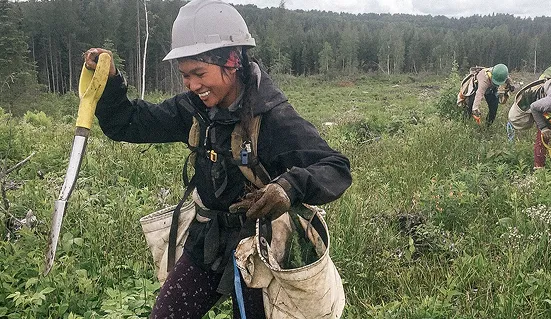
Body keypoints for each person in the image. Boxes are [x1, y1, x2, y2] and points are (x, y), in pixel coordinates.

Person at [83, 0, 352, 318]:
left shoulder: (273, 118)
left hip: (259, 248)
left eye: (199, 73)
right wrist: (111, 80)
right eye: (185, 75)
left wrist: (288, 187)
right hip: (208, 239)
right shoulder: (194, 110)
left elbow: (335, 167)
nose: (192, 85)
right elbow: (126, 123)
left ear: (233, 60)